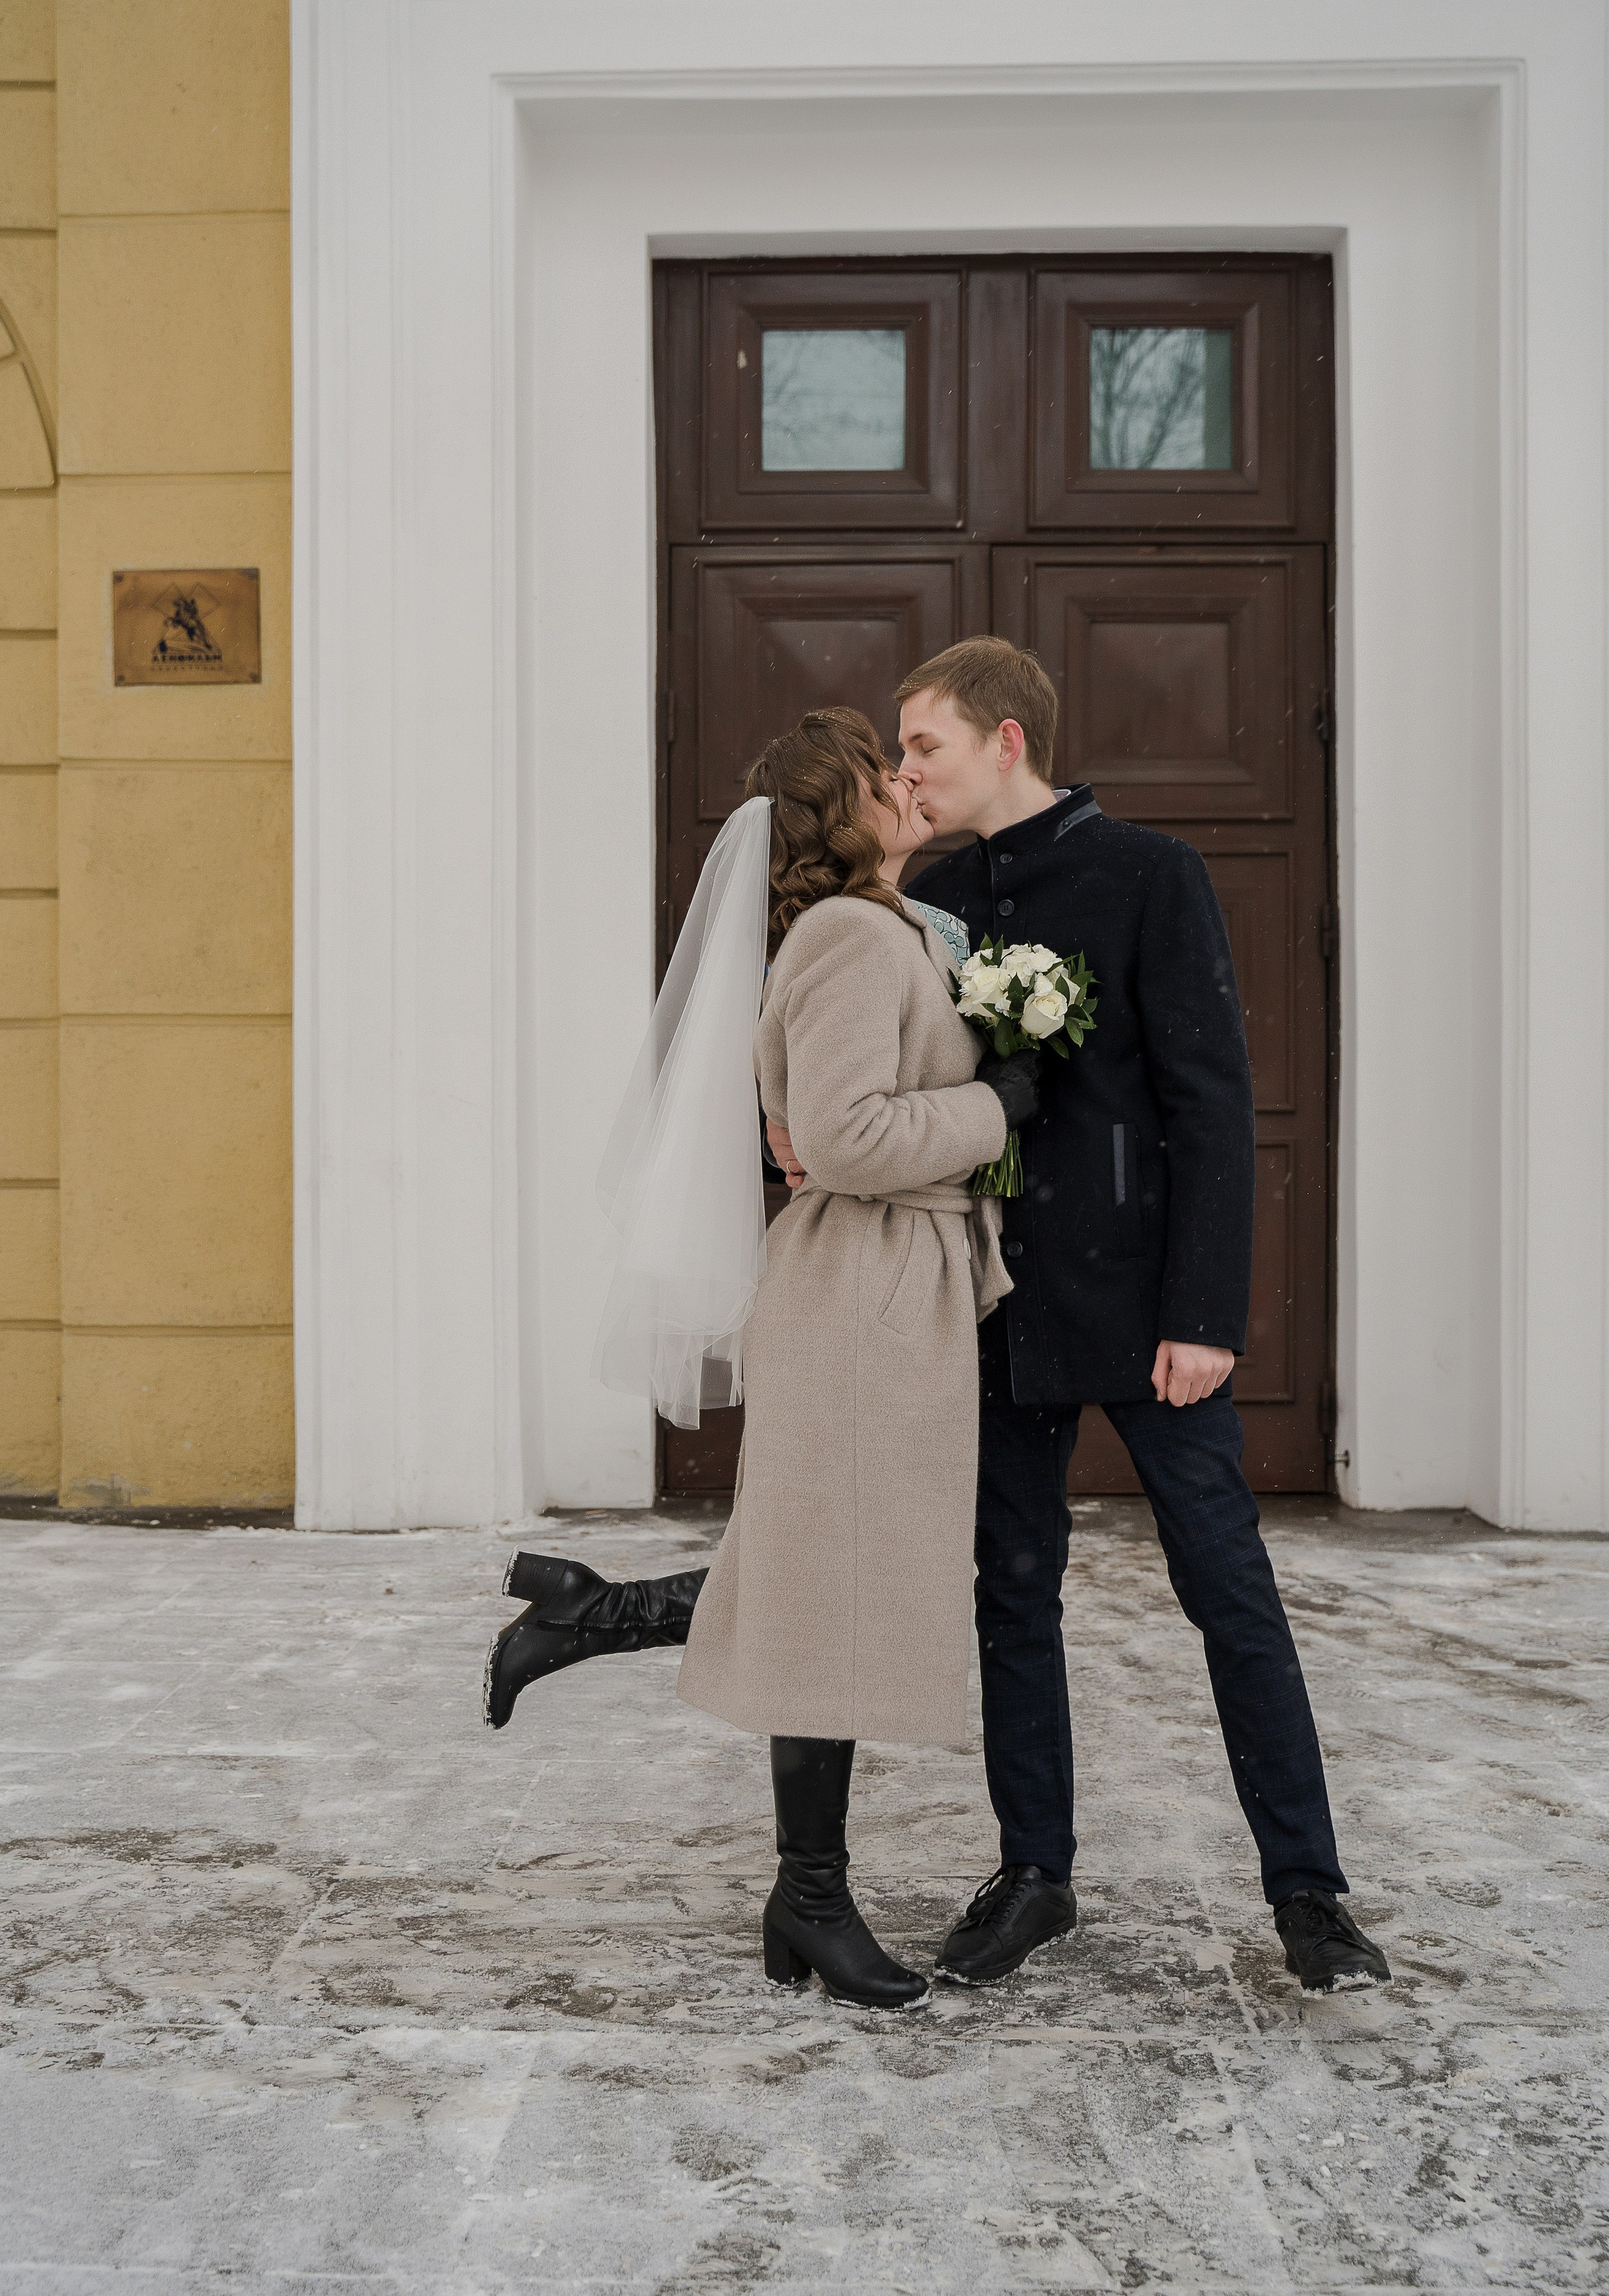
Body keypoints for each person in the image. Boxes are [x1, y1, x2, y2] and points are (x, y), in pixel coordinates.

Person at [768, 637, 1390, 1997]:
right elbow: (864, 1070)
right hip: (988, 1306)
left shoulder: (1148, 874)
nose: (904, 769)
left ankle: (1308, 1893)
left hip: (1150, 1313)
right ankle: (1032, 1871)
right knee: (1009, 1593)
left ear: (1004, 740)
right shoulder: (923, 901)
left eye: (920, 743)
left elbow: (1210, 1104)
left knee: (1225, 1590)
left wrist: (1205, 1313)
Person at [484, 708, 1038, 2009]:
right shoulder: (848, 935)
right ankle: (808, 1897)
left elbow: (827, 1119)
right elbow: (842, 1140)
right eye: (876, 771)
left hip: (886, 1292)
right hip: (860, 1295)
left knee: (820, 1577)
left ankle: (593, 1617)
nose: (903, 780)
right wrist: (994, 1105)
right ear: (834, 811)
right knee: (826, 1588)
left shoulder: (882, 925)